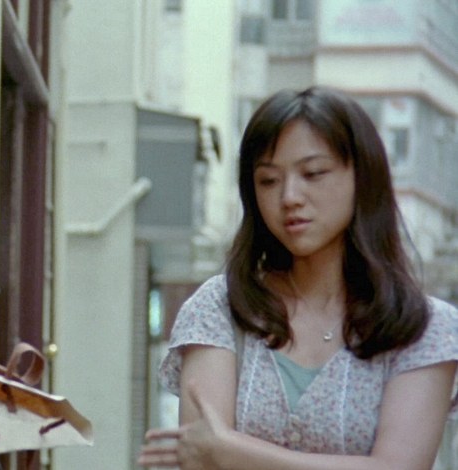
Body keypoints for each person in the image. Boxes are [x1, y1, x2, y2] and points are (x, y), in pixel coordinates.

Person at [138, 86, 458, 469]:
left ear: (362, 176)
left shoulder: (425, 328)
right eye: (268, 180)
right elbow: (202, 459)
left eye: (313, 173)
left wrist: (234, 452)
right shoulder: (220, 307)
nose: (289, 196)